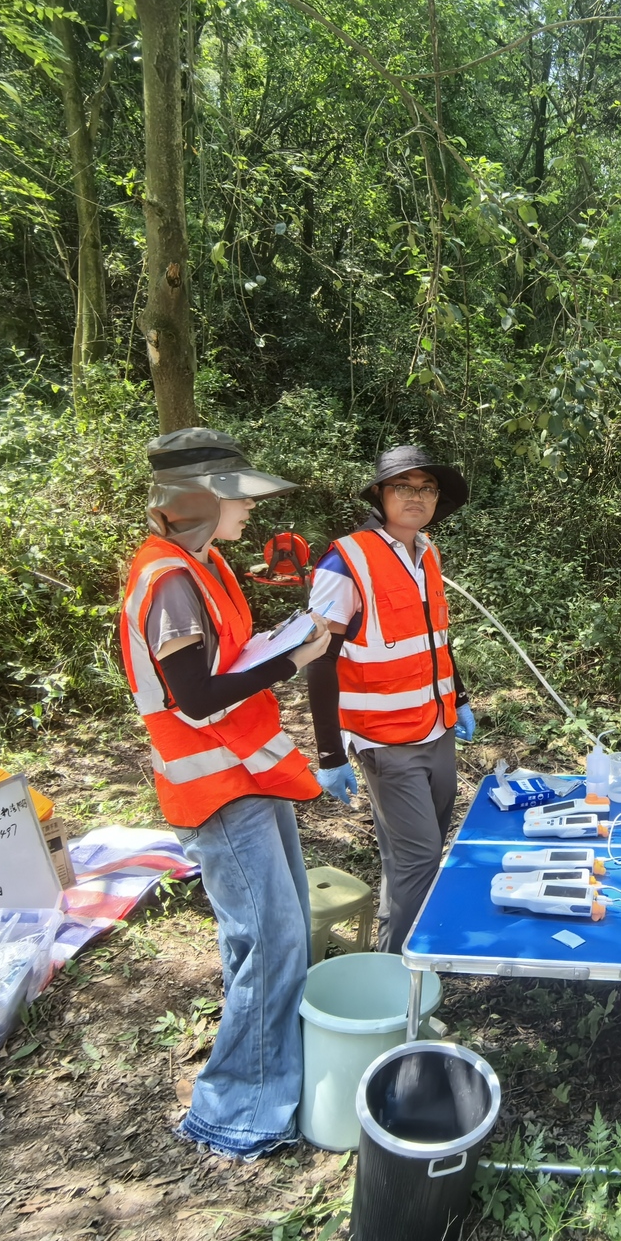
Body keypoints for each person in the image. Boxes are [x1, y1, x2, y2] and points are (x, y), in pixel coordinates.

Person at [118, 428, 350, 1161]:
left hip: (247, 771)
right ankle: (234, 1111)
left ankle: (267, 1071)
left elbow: (226, 660)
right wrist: (293, 662)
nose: (248, 512)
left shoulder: (200, 562)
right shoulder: (169, 580)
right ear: (197, 503)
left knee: (269, 934)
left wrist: (284, 641)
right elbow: (193, 694)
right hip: (215, 785)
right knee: (273, 939)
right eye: (237, 499)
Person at [305, 445, 476, 953]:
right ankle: (399, 972)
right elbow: (320, 659)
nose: (416, 497)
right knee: (419, 857)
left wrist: (459, 697)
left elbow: (435, 640)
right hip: (385, 739)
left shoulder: (427, 553)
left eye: (426, 488)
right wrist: (331, 753)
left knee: (416, 853)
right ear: (380, 495)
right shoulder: (346, 559)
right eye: (403, 486)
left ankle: (404, 950)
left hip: (437, 727)